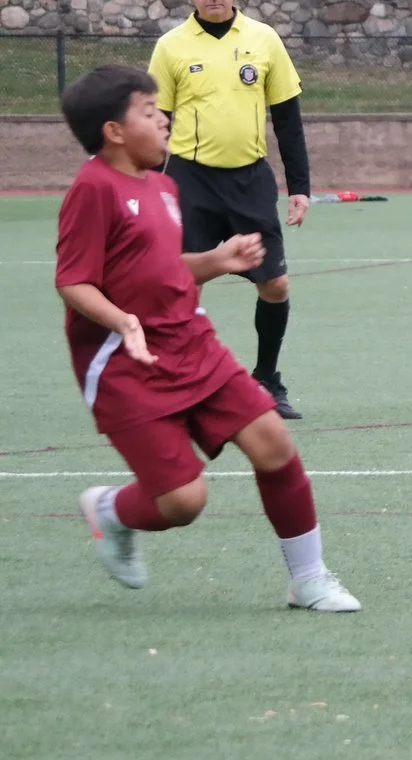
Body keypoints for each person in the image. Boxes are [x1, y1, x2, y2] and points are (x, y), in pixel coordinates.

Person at [57, 65, 360, 611]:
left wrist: (217, 261)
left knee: (273, 442)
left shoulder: (165, 186)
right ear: (114, 131)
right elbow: (74, 281)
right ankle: (110, 511)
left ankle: (308, 578)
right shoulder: (93, 187)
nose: (164, 119)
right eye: (150, 113)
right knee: (183, 502)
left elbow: (162, 269)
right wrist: (124, 321)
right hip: (126, 364)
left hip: (191, 342)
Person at [147, 0, 310, 419]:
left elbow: (287, 118)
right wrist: (148, 186)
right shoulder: (171, 47)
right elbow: (155, 123)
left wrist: (299, 185)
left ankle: (266, 380)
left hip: (250, 180)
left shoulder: (264, 40)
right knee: (180, 285)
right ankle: (177, 379)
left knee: (275, 284)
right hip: (189, 182)